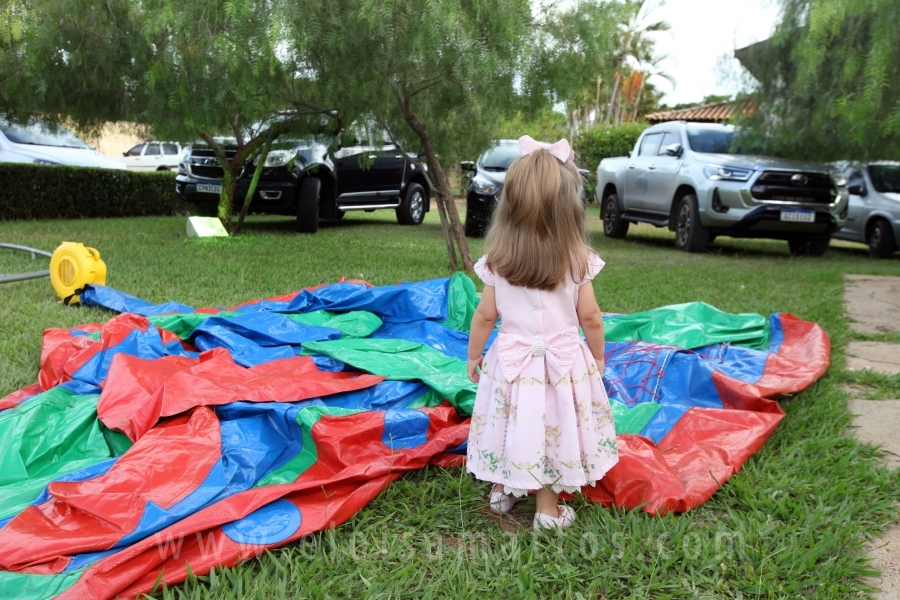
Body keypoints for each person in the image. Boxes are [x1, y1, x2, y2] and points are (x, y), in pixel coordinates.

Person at [466, 135, 619, 530]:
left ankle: (502, 491)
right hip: (563, 365)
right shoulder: (577, 260)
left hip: (511, 361)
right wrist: (599, 356)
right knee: (551, 427)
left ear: (510, 206)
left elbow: (484, 316)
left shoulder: (498, 262)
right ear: (569, 208)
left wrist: (473, 355)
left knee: (509, 420)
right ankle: (547, 512)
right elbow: (592, 318)